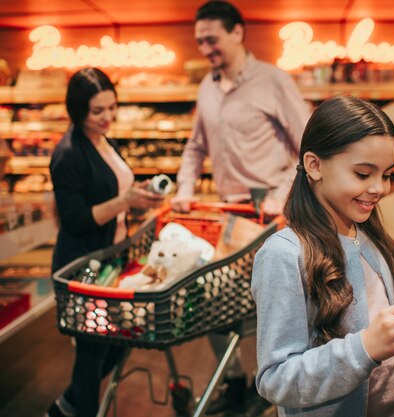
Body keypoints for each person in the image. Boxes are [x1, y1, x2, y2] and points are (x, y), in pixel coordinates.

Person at [251, 96, 394, 417]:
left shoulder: (369, 238)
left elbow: (387, 355)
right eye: (362, 174)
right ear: (314, 165)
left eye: (386, 175)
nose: (379, 189)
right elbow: (276, 379)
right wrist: (366, 347)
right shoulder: (283, 255)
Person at [172, 2, 311, 415]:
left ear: (237, 33)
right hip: (225, 218)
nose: (205, 49)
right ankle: (235, 379)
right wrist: (184, 185)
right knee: (213, 298)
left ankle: (282, 388)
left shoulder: (273, 81)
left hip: (272, 218)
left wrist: (280, 193)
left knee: (276, 306)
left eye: (211, 39)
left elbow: (308, 148)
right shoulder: (207, 88)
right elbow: (196, 147)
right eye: (199, 42)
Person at [46, 67, 164, 417]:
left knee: (112, 342)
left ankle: (65, 407)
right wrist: (125, 201)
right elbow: (76, 220)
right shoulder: (68, 154)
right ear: (78, 110)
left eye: (112, 107)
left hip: (109, 258)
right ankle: (76, 408)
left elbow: (111, 190)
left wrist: (137, 197)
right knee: (92, 350)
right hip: (83, 264)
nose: (108, 117)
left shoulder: (103, 140)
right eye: (98, 111)